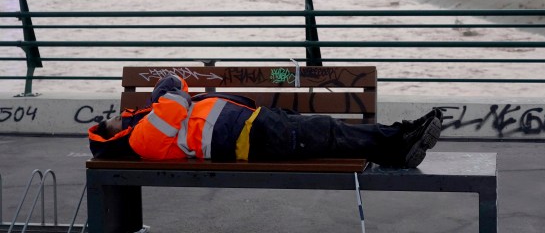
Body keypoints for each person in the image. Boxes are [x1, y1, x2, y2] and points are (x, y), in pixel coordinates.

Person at [89, 74, 442, 168]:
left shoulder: (151, 126)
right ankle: (400, 143)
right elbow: (174, 88)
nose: (120, 117)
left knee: (325, 132)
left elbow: (179, 101)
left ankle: (402, 137)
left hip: (255, 125)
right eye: (114, 123)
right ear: (114, 137)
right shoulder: (142, 139)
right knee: (329, 132)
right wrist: (154, 100)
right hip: (250, 137)